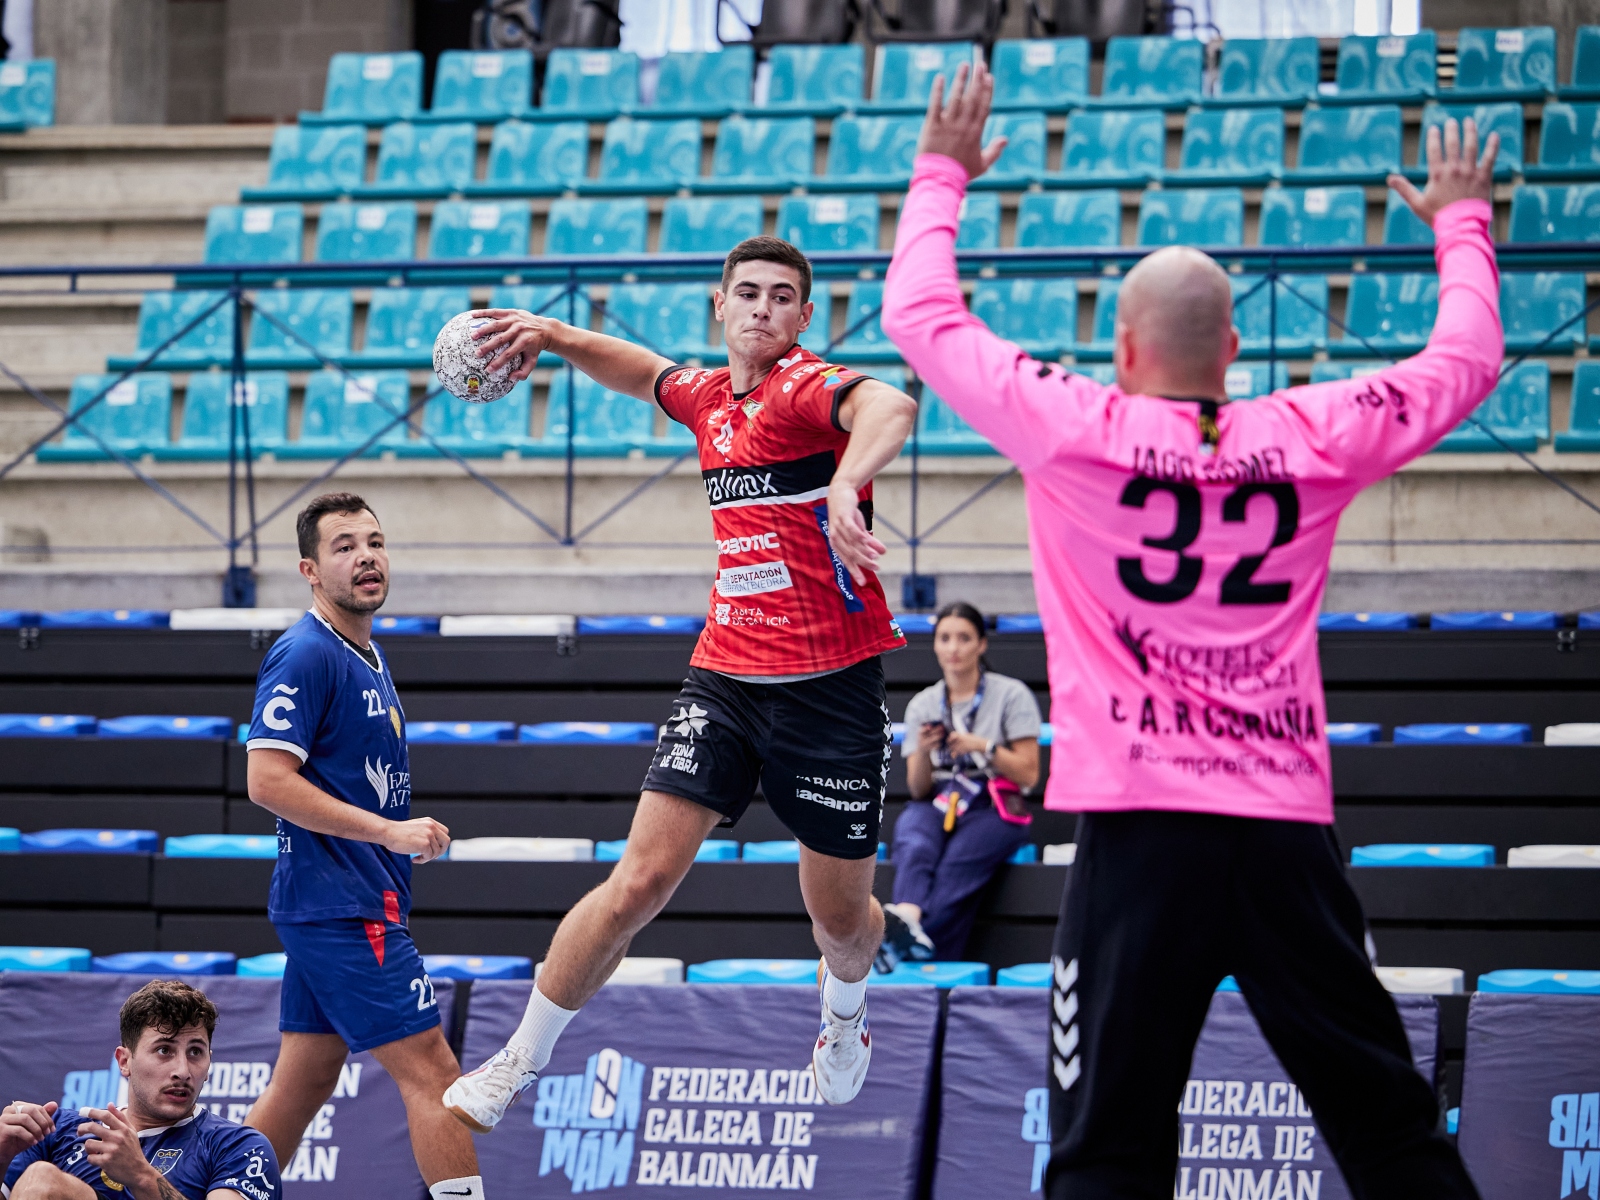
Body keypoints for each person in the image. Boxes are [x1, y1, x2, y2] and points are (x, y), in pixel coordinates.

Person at [882, 61, 1500, 1198]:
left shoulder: (1073, 424)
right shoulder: (1308, 431)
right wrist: (1462, 224)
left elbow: (920, 315)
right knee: (1389, 1131)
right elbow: (1462, 364)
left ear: (1124, 347)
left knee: (1104, 1150)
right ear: (1231, 352)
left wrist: (943, 172)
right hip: (1282, 834)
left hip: (1138, 839)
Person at [442, 235, 920, 1129]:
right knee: (639, 881)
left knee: (841, 924)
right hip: (726, 677)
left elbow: (892, 403)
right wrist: (552, 333)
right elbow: (643, 372)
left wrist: (847, 482)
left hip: (832, 690)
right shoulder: (707, 398)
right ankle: (517, 1060)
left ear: (803, 317)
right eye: (749, 292)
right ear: (721, 304)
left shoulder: (804, 389)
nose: (764, 308)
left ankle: (845, 1011)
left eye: (783, 296)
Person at [241, 492, 484, 1200]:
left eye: (374, 542)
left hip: (345, 900)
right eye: (344, 546)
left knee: (304, 1081)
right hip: (342, 907)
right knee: (436, 1073)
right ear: (310, 571)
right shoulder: (306, 652)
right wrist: (389, 832)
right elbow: (265, 780)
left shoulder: (366, 652)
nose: (366, 556)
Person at [0, 979, 280, 1200]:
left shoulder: (240, 1147)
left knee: (45, 1181)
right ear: (125, 1062)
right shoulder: (55, 1129)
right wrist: (2, 1155)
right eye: (164, 1050)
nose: (183, 1071)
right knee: (41, 1179)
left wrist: (141, 1175)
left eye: (195, 1051)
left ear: (209, 1063)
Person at [881, 601, 1041, 967]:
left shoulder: (1012, 694)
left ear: (982, 644)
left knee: (956, 868)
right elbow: (918, 789)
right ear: (935, 645)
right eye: (945, 638)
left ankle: (909, 952)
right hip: (939, 797)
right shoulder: (923, 703)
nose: (953, 648)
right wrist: (924, 750)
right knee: (913, 837)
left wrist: (983, 746)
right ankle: (907, 916)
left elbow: (1029, 773)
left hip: (995, 802)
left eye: (964, 638)